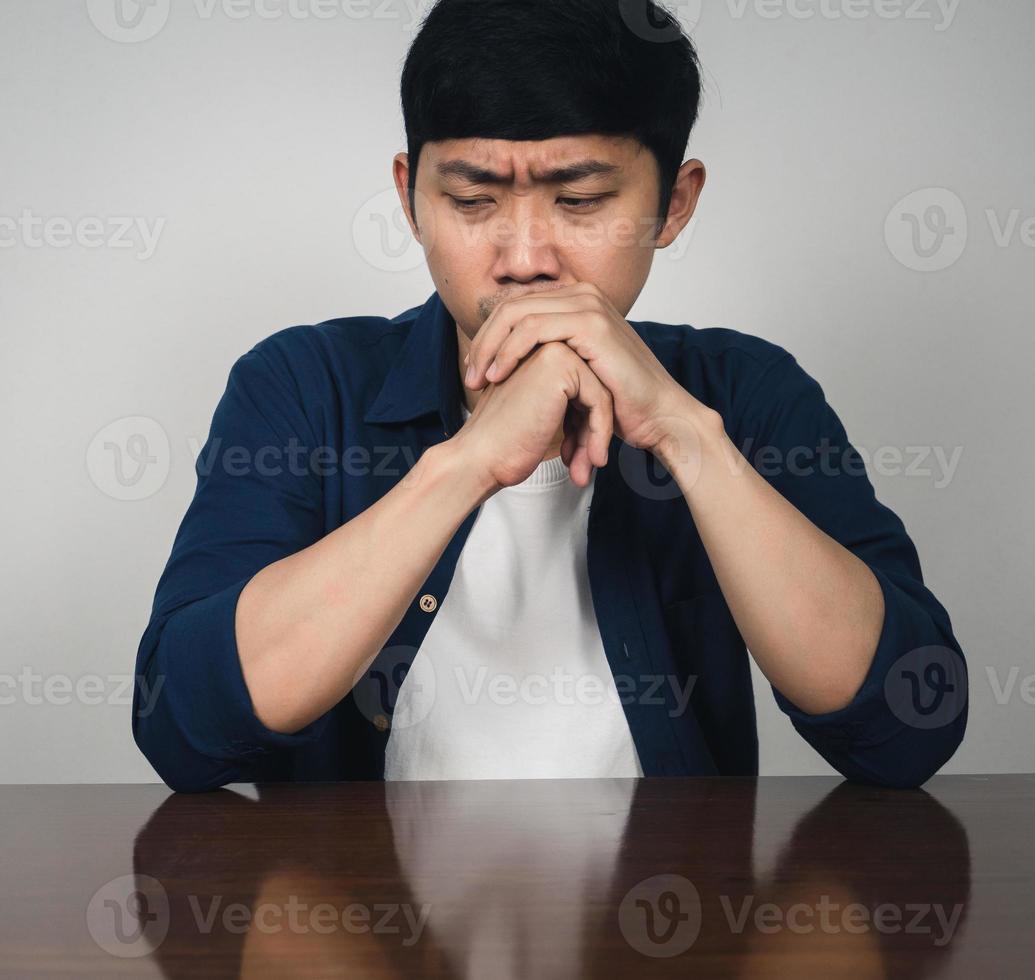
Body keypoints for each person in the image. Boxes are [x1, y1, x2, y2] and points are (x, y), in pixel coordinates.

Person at [132, 0, 967, 793]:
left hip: (665, 932)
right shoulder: (303, 385)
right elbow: (185, 727)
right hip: (363, 931)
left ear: (673, 203)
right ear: (407, 196)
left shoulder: (743, 392)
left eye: (578, 201)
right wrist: (466, 463)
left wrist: (684, 435)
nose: (525, 257)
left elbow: (907, 728)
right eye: (470, 201)